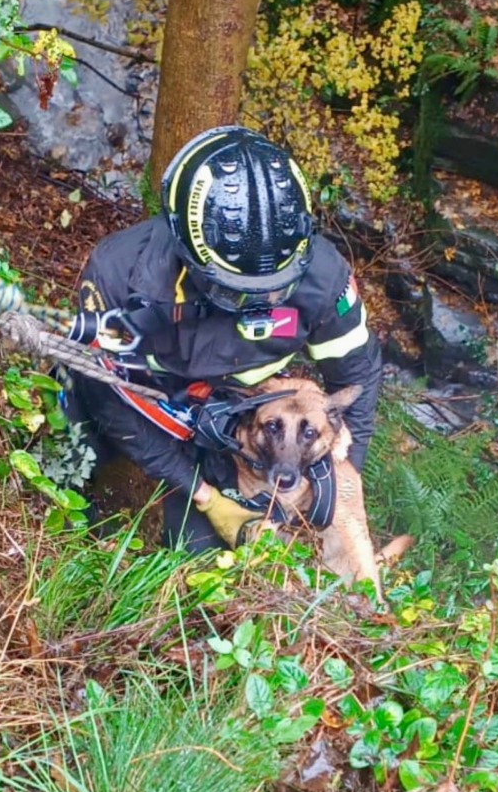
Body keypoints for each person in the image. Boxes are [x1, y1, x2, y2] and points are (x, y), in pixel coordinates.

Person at [64, 126, 382, 553]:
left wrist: (341, 473)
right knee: (76, 484)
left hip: (232, 424)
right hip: (140, 407)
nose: (262, 300)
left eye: (276, 288)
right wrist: (201, 494)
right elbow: (110, 404)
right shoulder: (120, 275)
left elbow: (357, 372)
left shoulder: (323, 279)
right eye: (240, 290)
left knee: (201, 555)